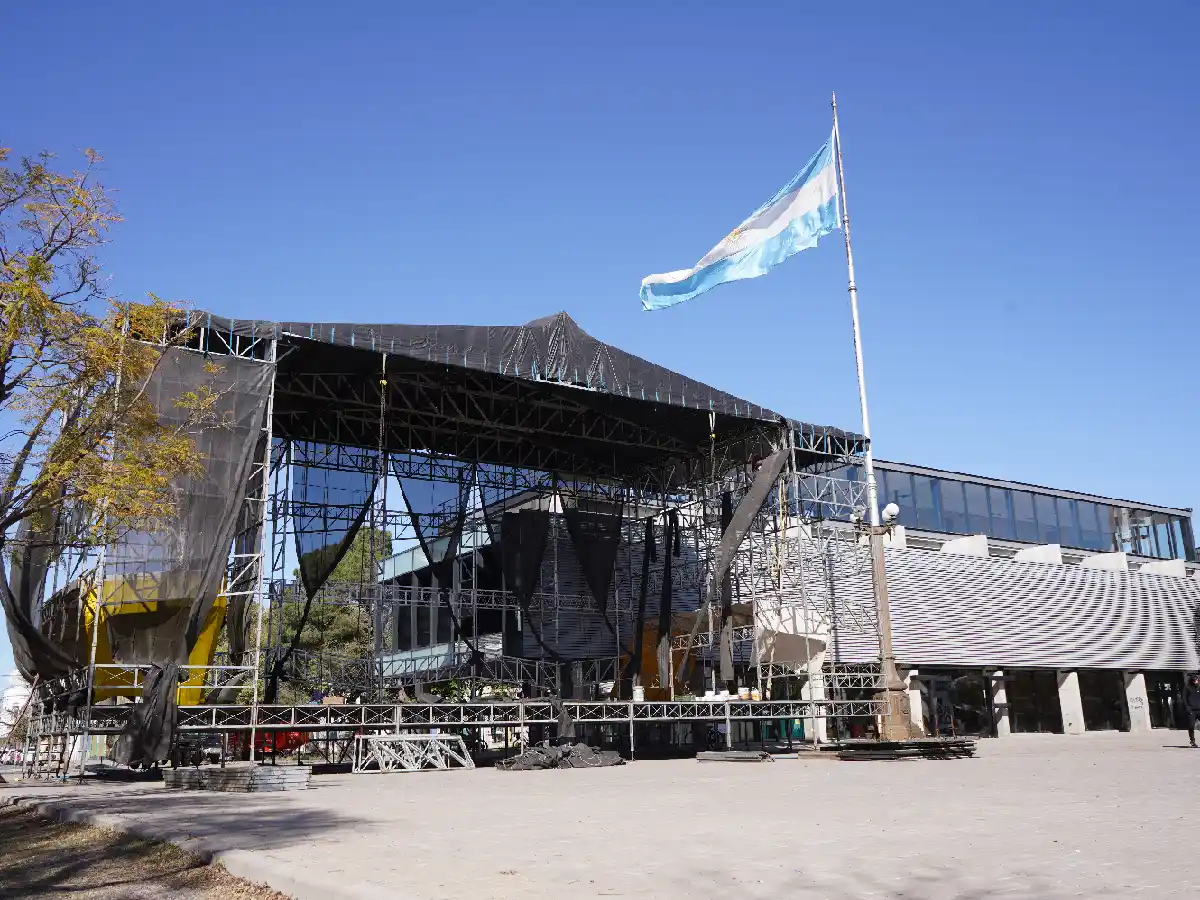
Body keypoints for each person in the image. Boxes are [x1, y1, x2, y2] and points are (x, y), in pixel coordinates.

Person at [1183, 674, 1200, 748]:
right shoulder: (1187, 687)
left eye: (1197, 680)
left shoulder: (1199, 687)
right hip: (1191, 710)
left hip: (1199, 709)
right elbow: (1184, 698)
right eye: (1194, 680)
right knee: (1191, 725)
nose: (1196, 682)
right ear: (1191, 681)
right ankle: (1192, 741)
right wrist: (1187, 708)